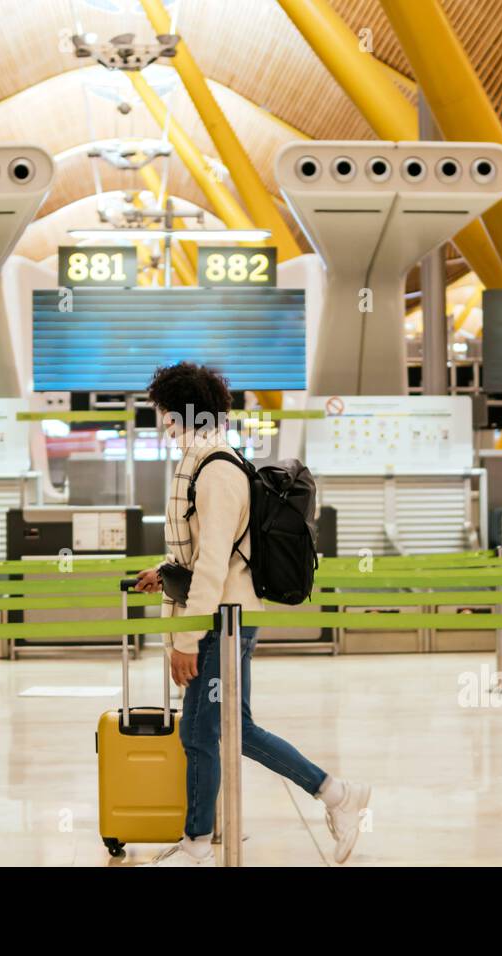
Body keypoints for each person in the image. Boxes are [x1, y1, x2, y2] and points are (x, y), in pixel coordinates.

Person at [135, 362, 370, 866]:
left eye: (165, 415)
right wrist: (168, 568)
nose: (164, 424)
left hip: (222, 622)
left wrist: (185, 640)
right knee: (223, 728)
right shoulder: (205, 462)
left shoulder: (215, 469)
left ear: (180, 414)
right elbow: (206, 551)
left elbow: (217, 563)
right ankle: (332, 796)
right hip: (221, 615)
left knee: (206, 732)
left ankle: (203, 843)